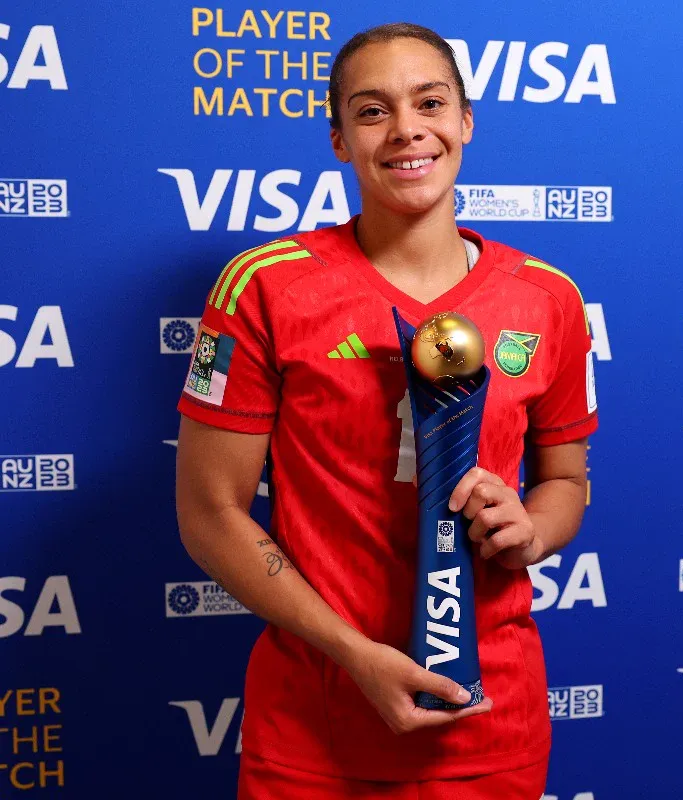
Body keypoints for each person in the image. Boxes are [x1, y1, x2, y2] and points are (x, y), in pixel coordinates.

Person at [175, 21, 597, 800]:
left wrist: (530, 526)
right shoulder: (265, 286)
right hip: (316, 718)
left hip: (492, 723)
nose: (407, 129)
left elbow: (566, 481)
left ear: (465, 121)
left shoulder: (550, 298)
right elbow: (208, 514)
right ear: (338, 138)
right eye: (372, 111)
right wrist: (353, 654)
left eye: (429, 102)